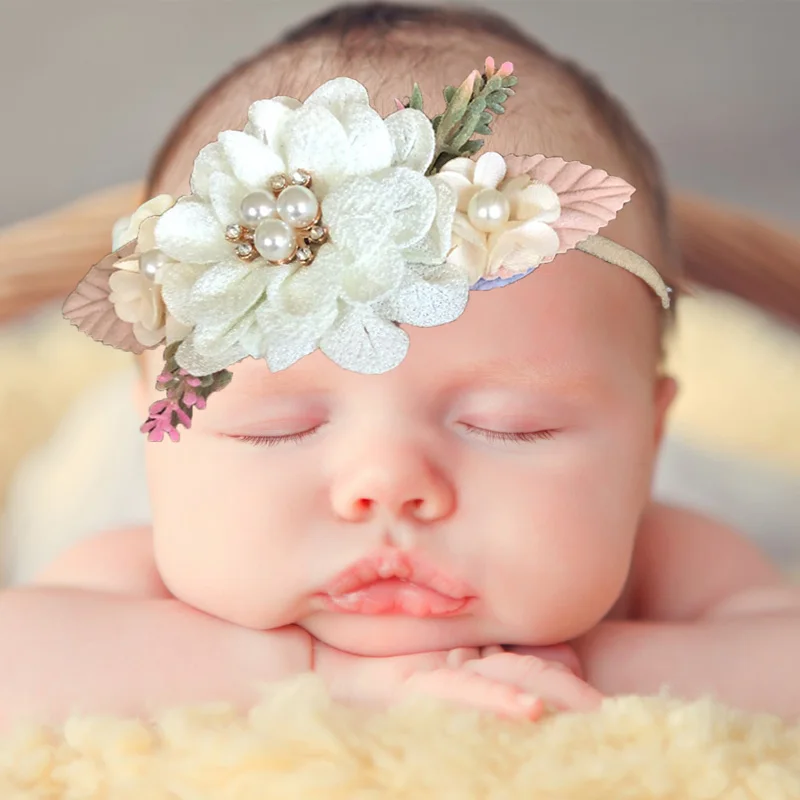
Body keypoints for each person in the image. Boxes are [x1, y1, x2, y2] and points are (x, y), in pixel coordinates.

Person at [2, 3, 799, 729]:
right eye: (280, 430)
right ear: (158, 428)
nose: (385, 483)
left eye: (511, 428)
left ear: (647, 443)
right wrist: (323, 674)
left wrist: (583, 667)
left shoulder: (663, 557)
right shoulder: (137, 565)